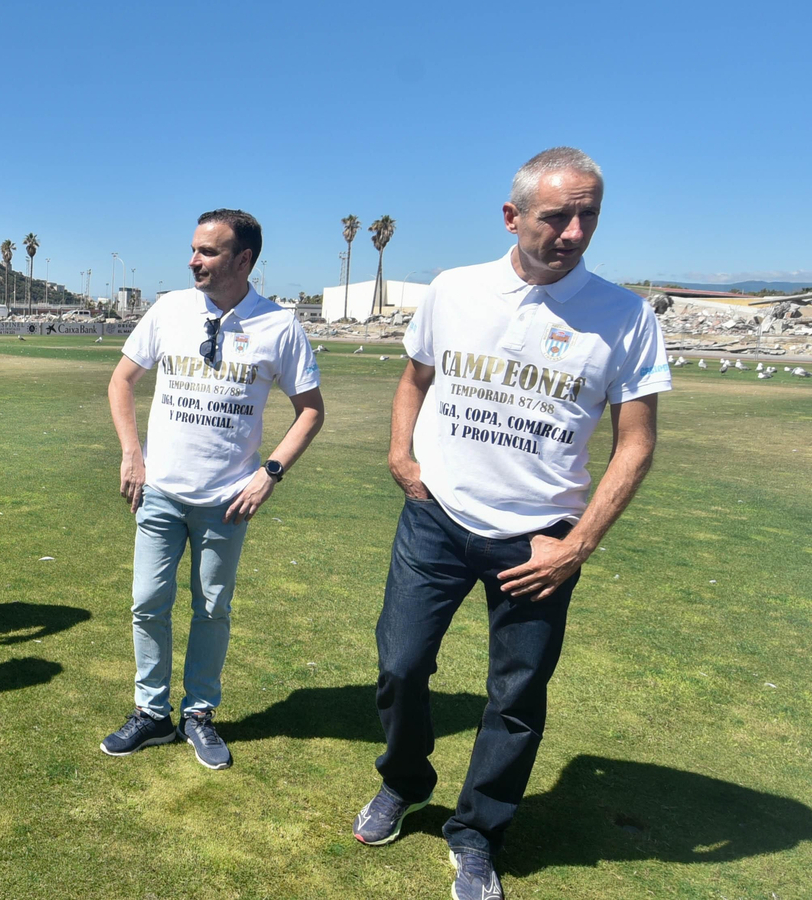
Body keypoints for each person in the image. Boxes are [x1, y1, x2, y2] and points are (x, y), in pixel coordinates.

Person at [351, 148, 670, 900]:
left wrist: (579, 544)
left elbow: (638, 441)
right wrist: (402, 452)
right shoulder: (454, 290)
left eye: (587, 215)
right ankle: (404, 782)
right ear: (512, 215)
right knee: (399, 666)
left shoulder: (625, 316)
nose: (574, 231)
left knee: (515, 699)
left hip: (541, 539)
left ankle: (477, 834)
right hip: (437, 517)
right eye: (557, 215)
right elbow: (415, 378)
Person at [103, 209, 325, 770]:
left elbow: (310, 411)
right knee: (148, 603)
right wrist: (133, 453)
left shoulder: (279, 326)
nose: (192, 260)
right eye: (194, 249)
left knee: (211, 608)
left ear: (243, 260)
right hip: (160, 493)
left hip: (227, 500)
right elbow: (122, 380)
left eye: (207, 252)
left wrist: (269, 473)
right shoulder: (169, 309)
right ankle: (151, 713)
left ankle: (198, 713)